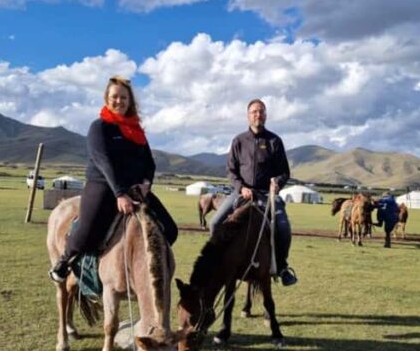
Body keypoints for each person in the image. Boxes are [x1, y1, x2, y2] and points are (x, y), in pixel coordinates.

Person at [49, 76, 178, 282]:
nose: (119, 101)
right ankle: (64, 261)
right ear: (107, 99)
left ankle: (144, 270)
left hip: (136, 189)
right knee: (87, 233)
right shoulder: (99, 127)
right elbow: (104, 161)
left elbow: (149, 163)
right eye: (115, 97)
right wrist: (120, 194)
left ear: (130, 101)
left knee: (170, 230)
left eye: (124, 97)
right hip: (104, 186)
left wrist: (146, 184)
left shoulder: (136, 131)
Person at [209, 98, 297, 286]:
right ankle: (217, 261)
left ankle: (282, 267)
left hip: (267, 194)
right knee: (214, 223)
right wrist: (241, 187)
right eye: (254, 112)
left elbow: (284, 172)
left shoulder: (274, 141)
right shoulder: (238, 141)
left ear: (266, 115)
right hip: (241, 193)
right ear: (248, 116)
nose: (258, 115)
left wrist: (277, 183)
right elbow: (231, 171)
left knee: (283, 228)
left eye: (261, 111)